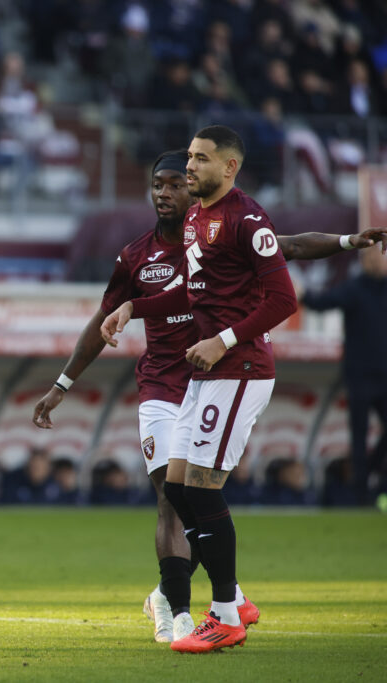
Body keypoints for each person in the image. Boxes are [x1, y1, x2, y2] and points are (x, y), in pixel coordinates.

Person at [36, 142, 387, 650]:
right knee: (172, 494)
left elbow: (289, 253)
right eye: (159, 183)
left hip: (228, 368)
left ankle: (196, 606)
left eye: (180, 178)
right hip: (166, 384)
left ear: (216, 172)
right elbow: (124, 313)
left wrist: (350, 240)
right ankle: (197, 602)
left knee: (192, 493)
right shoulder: (142, 252)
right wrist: (70, 375)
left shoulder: (229, 223)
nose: (167, 190)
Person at [99, 125, 301, 653]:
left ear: (229, 168)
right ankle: (235, 599)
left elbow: (283, 300)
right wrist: (132, 307)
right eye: (188, 157)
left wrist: (224, 340)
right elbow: (188, 292)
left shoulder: (247, 218)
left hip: (240, 369)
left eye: (201, 159)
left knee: (202, 488)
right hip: (208, 374)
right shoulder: (195, 218)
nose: (190, 167)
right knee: (180, 487)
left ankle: (227, 613)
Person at [299, 245, 387, 504]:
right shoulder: (354, 288)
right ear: (364, 260)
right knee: (358, 436)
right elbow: (321, 303)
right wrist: (302, 294)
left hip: (385, 375)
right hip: (359, 375)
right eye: (373, 257)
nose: (380, 262)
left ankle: (371, 474)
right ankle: (361, 494)